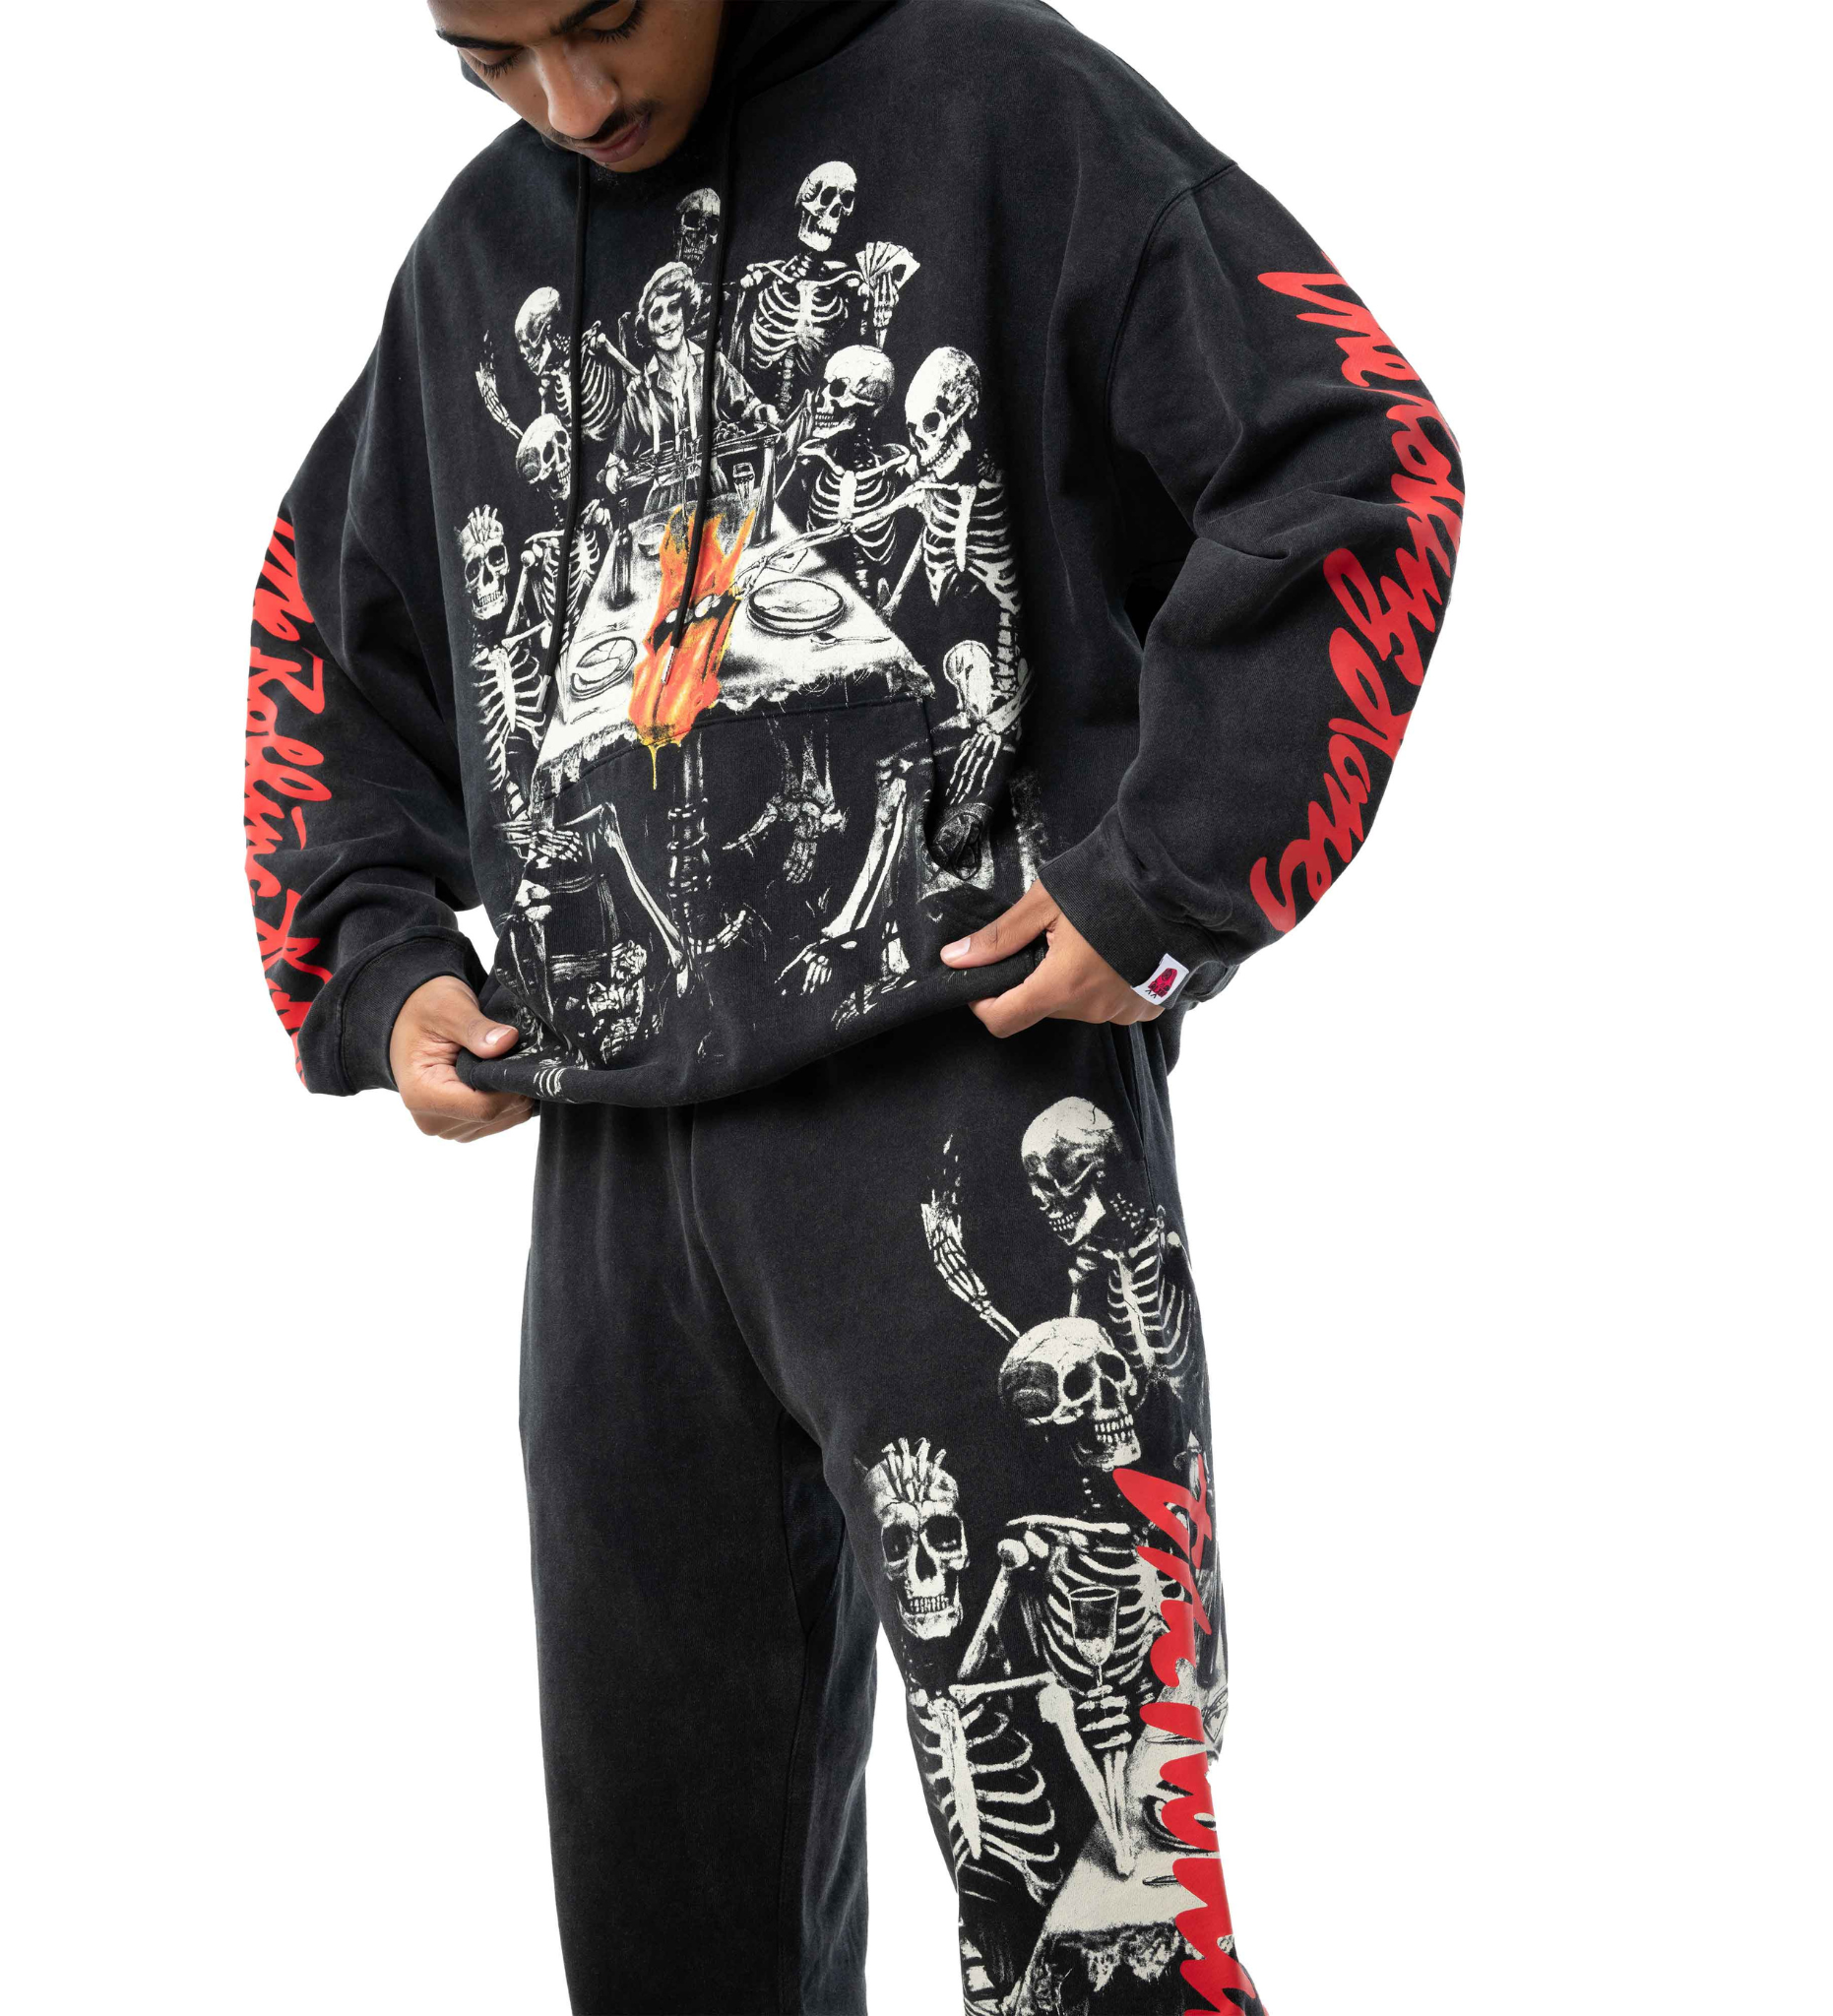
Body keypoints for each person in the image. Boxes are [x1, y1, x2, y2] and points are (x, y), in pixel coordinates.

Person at [241, 2, 1464, 2008]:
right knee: (666, 1913)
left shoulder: (997, 102)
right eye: (488, 57)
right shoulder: (476, 254)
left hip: (963, 1093)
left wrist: (1164, 882)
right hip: (616, 1179)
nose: (571, 102)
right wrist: (374, 964)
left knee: (1091, 1891)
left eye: (602, 20)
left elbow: (1355, 456)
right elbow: (328, 621)